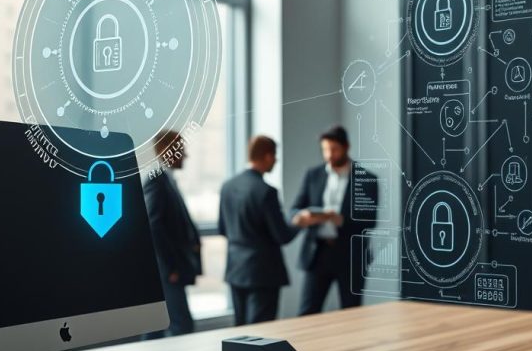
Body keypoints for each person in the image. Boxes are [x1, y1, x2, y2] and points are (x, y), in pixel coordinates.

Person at [291, 125, 376, 315]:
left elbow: (370, 221)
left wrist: (341, 220)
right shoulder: (313, 175)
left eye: (334, 149)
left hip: (350, 256)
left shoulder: (366, 179)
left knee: (351, 313)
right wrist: (301, 217)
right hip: (317, 253)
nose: (329, 154)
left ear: (346, 147)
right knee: (307, 312)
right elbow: (294, 208)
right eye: (325, 149)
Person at [218, 135, 300, 326]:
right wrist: (299, 223)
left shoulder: (228, 186)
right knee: (261, 329)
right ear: (268, 156)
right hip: (263, 272)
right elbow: (282, 236)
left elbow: (223, 228)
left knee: (239, 328)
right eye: (275, 156)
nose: (276, 161)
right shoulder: (266, 191)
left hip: (235, 268)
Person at [142, 130, 201, 338]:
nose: (186, 155)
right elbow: (152, 226)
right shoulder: (156, 180)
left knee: (157, 327)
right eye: (182, 149)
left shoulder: (167, 180)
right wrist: (170, 267)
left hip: (167, 271)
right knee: (181, 325)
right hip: (165, 272)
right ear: (169, 151)